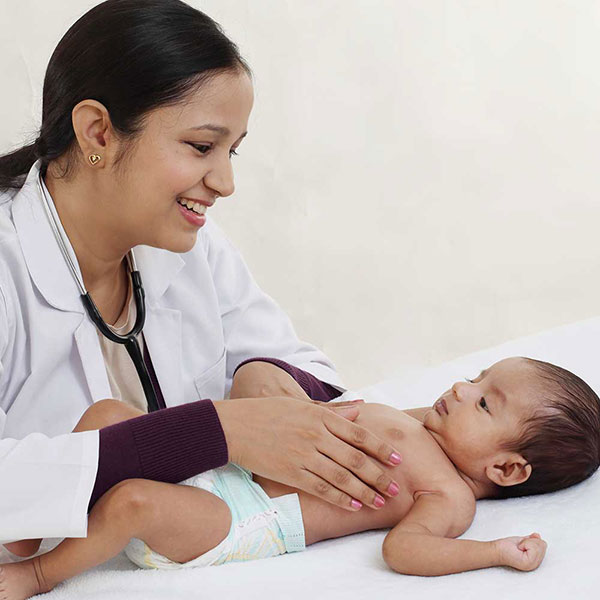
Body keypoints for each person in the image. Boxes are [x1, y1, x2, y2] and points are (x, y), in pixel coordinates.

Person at [0, 0, 405, 543]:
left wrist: (261, 375)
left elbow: (311, 371)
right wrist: (216, 432)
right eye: (201, 147)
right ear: (97, 131)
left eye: (232, 151)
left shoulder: (188, 244)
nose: (225, 182)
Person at [2, 356, 599, 598]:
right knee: (107, 415)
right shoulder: (428, 426)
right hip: (227, 461)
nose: (462, 389)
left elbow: (406, 550)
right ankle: (35, 523)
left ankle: (35, 573)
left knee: (133, 501)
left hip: (243, 517)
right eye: (475, 376)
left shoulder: (446, 495)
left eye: (486, 404)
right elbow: (348, 407)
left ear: (507, 468)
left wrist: (493, 551)